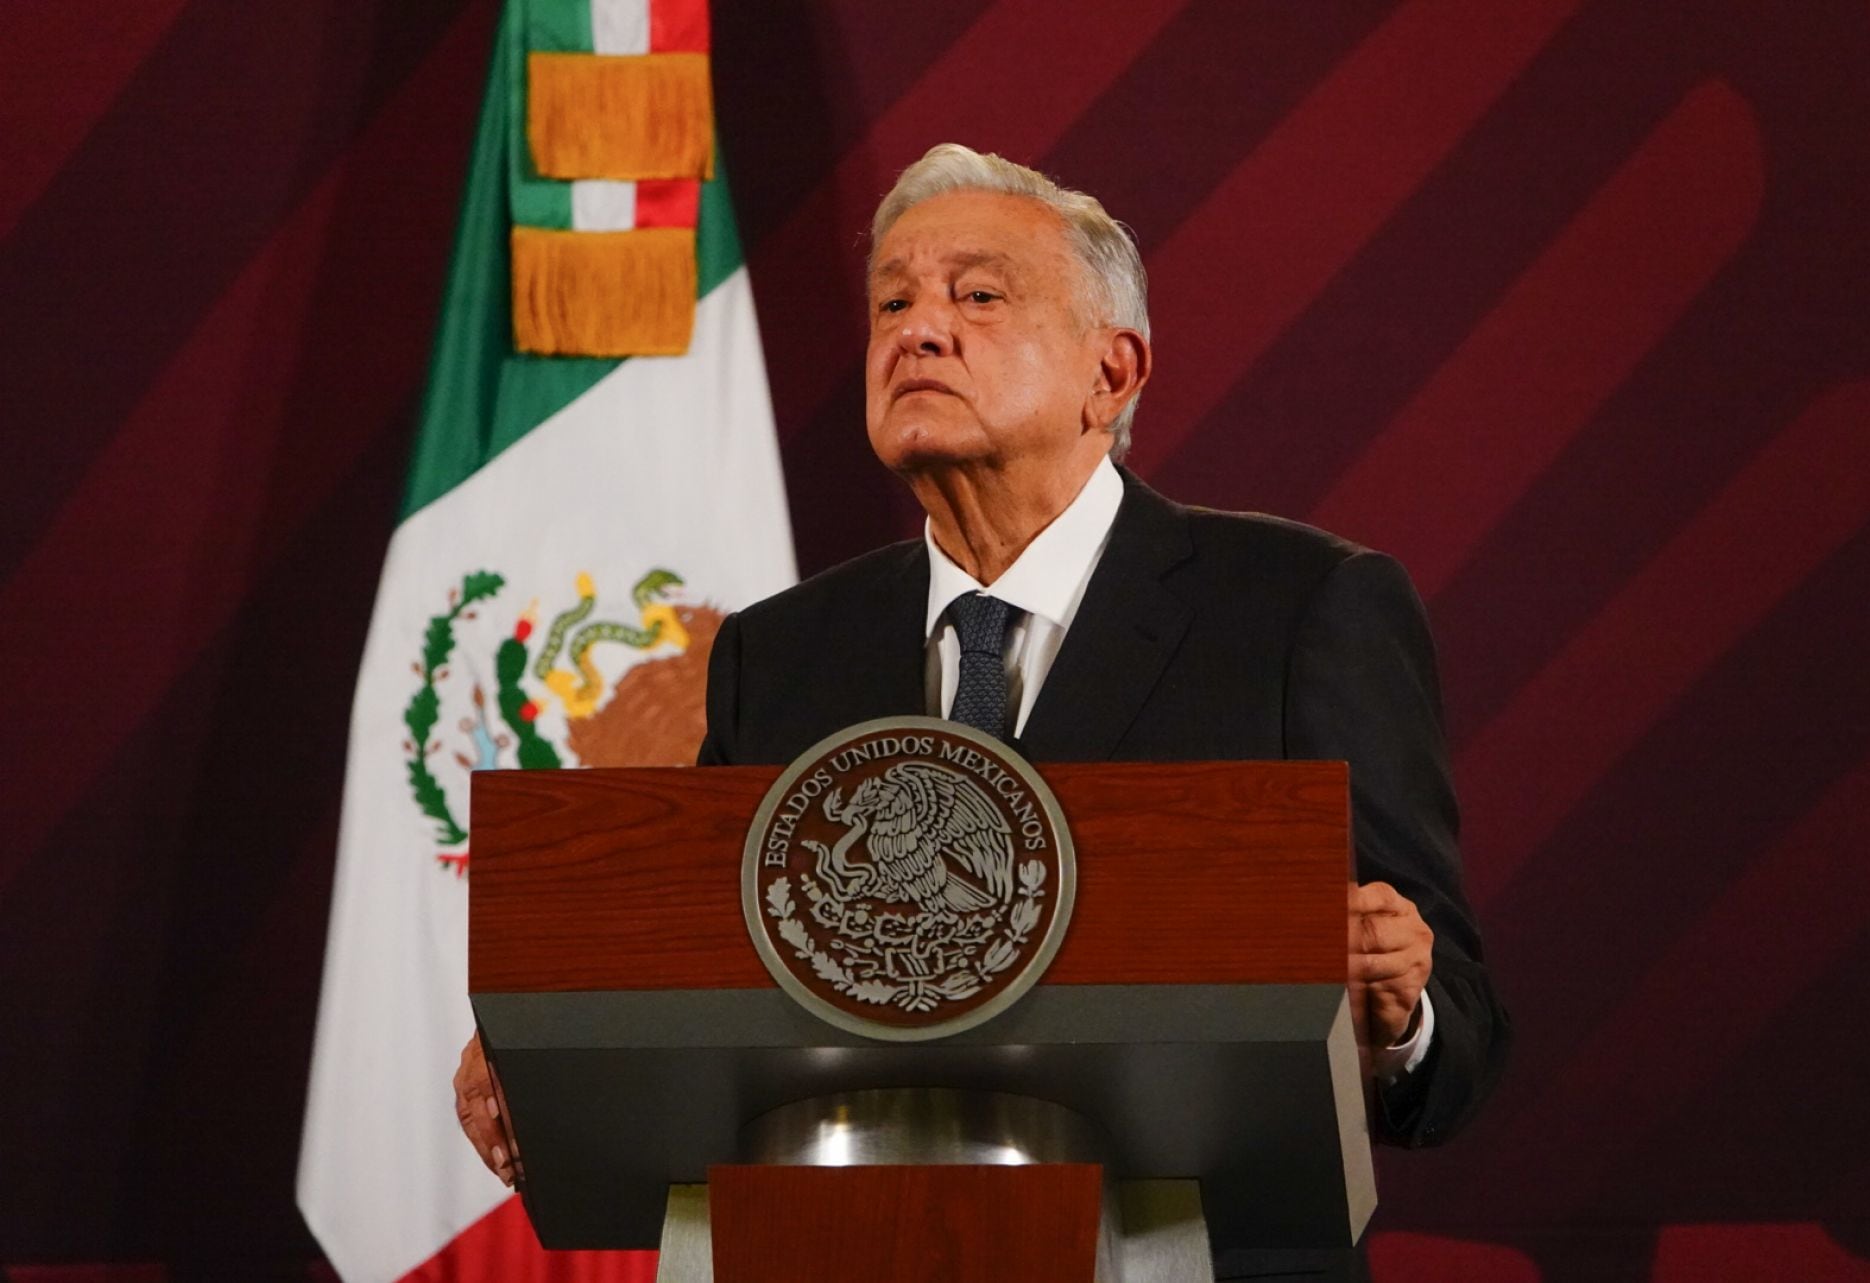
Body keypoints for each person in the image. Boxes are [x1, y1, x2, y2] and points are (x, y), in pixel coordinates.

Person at [456, 143, 1510, 1272]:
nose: (918, 330)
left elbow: (1459, 1037)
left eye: (978, 297)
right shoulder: (782, 652)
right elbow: (708, 957)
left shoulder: (1299, 608)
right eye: (892, 302)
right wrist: (546, 1033)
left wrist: (1400, 1012)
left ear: (1112, 371)